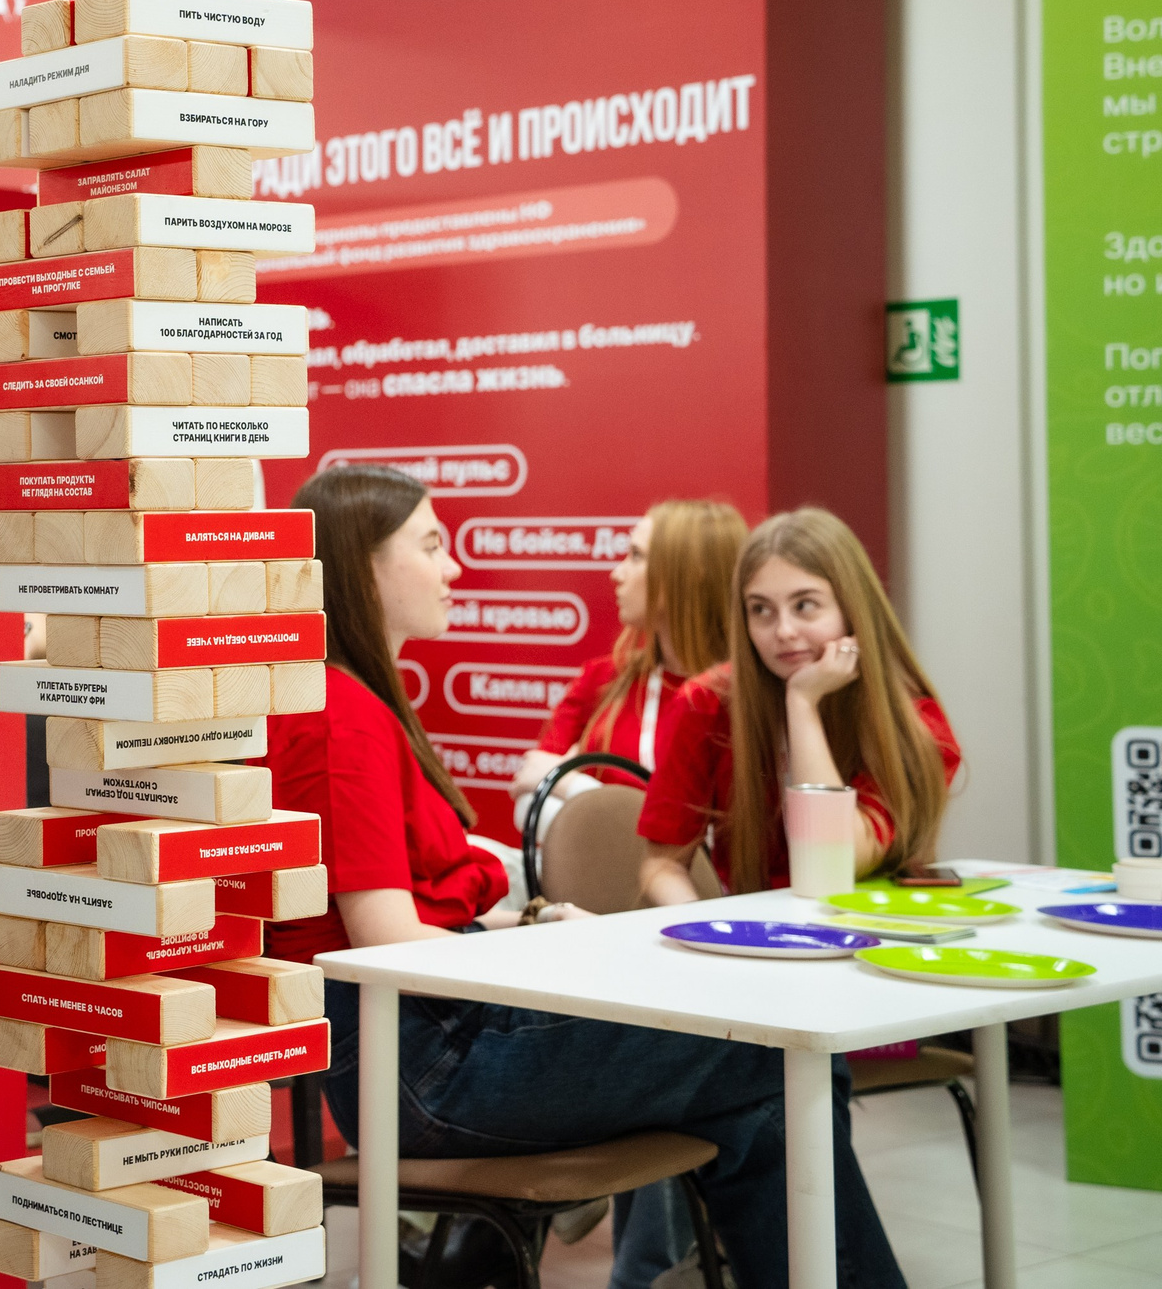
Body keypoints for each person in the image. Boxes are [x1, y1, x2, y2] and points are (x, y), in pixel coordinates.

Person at [269, 466, 906, 1289]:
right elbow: (385, 943)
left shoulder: (351, 700)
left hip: (426, 1047)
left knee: (765, 1090)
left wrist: (527, 927)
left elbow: (395, 921)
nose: (453, 567)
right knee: (777, 1053)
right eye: (432, 545)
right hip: (422, 1072)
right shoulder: (342, 714)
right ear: (362, 569)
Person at [641, 507, 959, 902]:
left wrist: (803, 704)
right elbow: (662, 865)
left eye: (805, 605)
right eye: (761, 610)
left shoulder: (915, 723)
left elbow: (831, 862)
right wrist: (705, 928)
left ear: (852, 610)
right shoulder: (707, 704)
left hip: (878, 935)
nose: (784, 631)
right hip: (757, 941)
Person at [507, 500, 746, 824]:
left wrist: (573, 785)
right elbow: (528, 800)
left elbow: (710, 837)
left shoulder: (742, 699)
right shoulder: (602, 678)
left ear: (690, 574)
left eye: (636, 556)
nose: (616, 573)